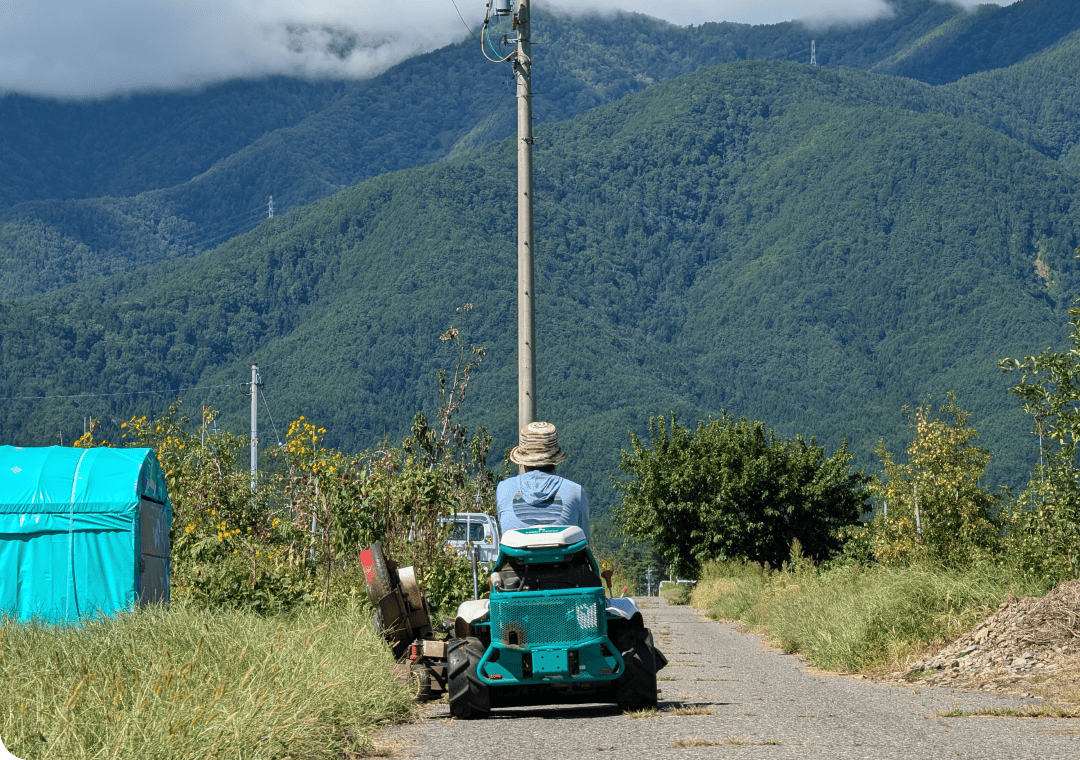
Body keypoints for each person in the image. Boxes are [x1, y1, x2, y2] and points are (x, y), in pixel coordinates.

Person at [496, 421, 590, 540]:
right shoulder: (575, 491)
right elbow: (584, 541)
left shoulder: (504, 489)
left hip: (517, 558)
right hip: (564, 558)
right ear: (555, 461)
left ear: (523, 462)